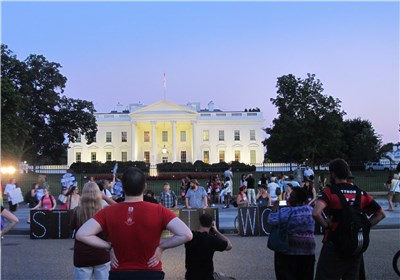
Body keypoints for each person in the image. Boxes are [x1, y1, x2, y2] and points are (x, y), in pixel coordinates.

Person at [76, 167, 192, 280]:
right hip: (151, 270)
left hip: (120, 272)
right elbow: (186, 234)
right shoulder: (159, 210)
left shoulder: (108, 211)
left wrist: (109, 246)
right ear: (145, 186)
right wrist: (161, 247)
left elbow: (82, 234)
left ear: (122, 187)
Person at [313, 158, 386, 280]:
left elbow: (316, 213)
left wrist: (326, 225)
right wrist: (365, 225)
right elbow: (381, 214)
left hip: (334, 243)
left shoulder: (330, 192)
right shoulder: (360, 193)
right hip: (354, 245)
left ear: (333, 174)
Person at [268, 187, 316, 280]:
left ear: (294, 199)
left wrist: (274, 207)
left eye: (291, 196)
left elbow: (271, 219)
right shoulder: (310, 210)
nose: (288, 198)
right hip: (308, 250)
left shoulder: (287, 211)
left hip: (290, 250)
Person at [70, 182, 111, 279]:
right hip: (102, 253)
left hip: (82, 255)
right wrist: (105, 198)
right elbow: (120, 208)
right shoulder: (105, 211)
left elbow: (72, 227)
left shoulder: (77, 211)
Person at [185, 213, 232, 280]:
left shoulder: (190, 237)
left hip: (190, 277)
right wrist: (216, 231)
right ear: (211, 224)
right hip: (207, 277)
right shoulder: (212, 239)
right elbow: (229, 246)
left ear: (199, 222)